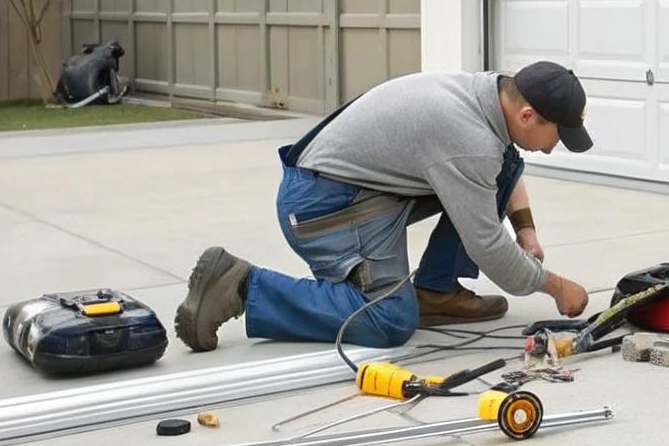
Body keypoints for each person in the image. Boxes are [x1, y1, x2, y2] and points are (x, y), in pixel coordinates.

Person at [173, 62, 595, 352]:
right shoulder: (468, 139)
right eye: (558, 135)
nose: (557, 146)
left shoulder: (488, 91)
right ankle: (243, 285)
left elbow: (503, 168)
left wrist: (526, 231)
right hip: (325, 207)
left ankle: (435, 292)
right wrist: (555, 286)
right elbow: (488, 247)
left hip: (355, 187)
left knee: (504, 162)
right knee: (389, 321)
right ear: (526, 115)